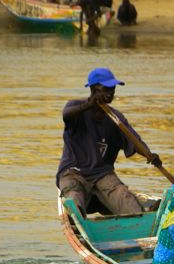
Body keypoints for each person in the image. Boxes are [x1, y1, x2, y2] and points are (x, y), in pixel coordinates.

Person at [57, 67, 163, 218]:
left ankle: (141, 220)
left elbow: (134, 140)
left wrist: (149, 155)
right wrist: (89, 104)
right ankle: (76, 219)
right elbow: (66, 115)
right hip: (74, 172)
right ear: (93, 89)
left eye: (112, 89)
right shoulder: (76, 108)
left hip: (102, 174)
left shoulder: (116, 118)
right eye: (105, 89)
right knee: (73, 198)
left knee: (124, 197)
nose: (110, 93)